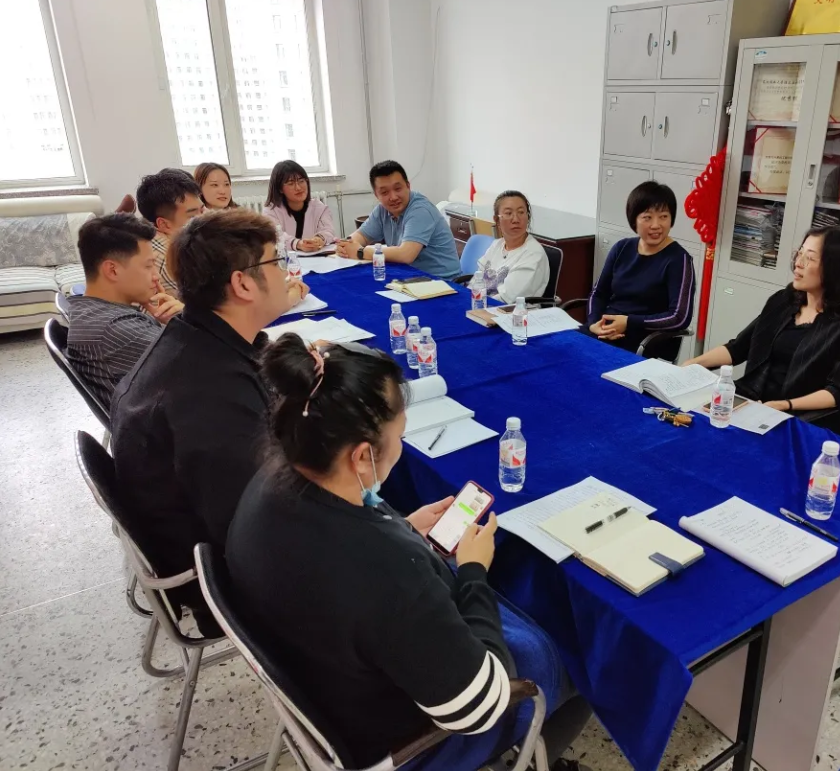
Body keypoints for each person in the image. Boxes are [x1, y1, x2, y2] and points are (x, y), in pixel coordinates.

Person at [226, 335, 593, 771]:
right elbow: (479, 710)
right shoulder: (386, 570)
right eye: (399, 436)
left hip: (328, 681)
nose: (400, 447)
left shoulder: (268, 483)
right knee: (584, 659)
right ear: (362, 456)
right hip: (402, 742)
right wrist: (473, 572)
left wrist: (403, 527)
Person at [110, 209, 306, 634]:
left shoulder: (195, 336)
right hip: (225, 579)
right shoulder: (210, 396)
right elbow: (261, 525)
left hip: (214, 533)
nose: (287, 274)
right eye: (278, 262)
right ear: (242, 284)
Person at [682, 224, 840, 413]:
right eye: (800, 253)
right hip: (750, 401)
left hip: (801, 416)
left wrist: (785, 405)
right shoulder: (784, 300)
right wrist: (693, 364)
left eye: (810, 258)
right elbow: (738, 348)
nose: (798, 263)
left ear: (836, 268)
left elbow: (839, 391)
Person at [66, 213, 184, 409]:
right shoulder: (117, 329)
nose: (156, 277)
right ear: (112, 270)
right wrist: (185, 320)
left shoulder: (90, 311)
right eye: (149, 266)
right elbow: (211, 364)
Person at [584, 181, 694, 360]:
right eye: (647, 217)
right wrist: (594, 323)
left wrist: (629, 322)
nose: (656, 225)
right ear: (634, 220)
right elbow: (598, 293)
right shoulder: (622, 248)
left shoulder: (678, 259)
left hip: (643, 342)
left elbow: (680, 317)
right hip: (604, 331)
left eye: (663, 216)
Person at [336, 160, 461, 279]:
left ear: (408, 186)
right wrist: (345, 246)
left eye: (397, 189)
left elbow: (406, 254)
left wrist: (361, 252)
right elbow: (362, 236)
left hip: (442, 282)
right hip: (409, 278)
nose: (393, 197)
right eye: (384, 192)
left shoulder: (420, 210)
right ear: (376, 195)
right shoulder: (382, 210)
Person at [136, 168, 205, 297]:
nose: (204, 219)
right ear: (164, 224)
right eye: (193, 217)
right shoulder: (169, 259)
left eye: (202, 210)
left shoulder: (155, 236)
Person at [476, 191, 549, 303]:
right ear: (497, 220)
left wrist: (477, 301)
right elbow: (478, 280)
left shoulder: (533, 254)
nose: (516, 220)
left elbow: (507, 299)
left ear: (528, 217)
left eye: (521, 212)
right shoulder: (496, 245)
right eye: (508, 213)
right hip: (484, 305)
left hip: (511, 311)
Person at [263, 160, 336, 252]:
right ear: (280, 189)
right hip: (285, 258)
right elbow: (276, 236)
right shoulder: (271, 210)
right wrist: (298, 244)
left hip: (315, 256)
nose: (298, 188)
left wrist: (319, 239)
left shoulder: (319, 207)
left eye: (301, 181)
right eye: (291, 183)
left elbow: (328, 230)